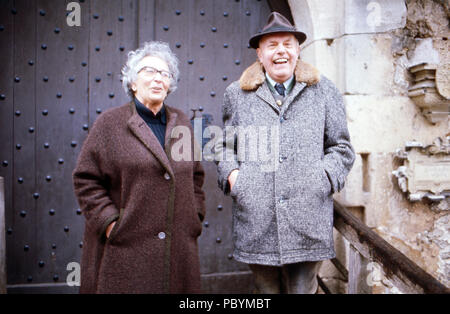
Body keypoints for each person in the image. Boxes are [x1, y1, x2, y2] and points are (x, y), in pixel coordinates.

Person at [215, 12, 355, 294]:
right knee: (265, 291)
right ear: (260, 53)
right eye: (272, 45)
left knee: (303, 290)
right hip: (257, 218)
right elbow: (224, 146)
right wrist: (233, 178)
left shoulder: (324, 91)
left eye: (287, 44)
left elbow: (342, 148)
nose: (281, 51)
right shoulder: (236, 94)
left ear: (298, 49)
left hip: (308, 216)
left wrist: (324, 177)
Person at [72, 41, 205, 293]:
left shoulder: (182, 122)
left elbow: (196, 176)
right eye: (149, 71)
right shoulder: (110, 123)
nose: (158, 79)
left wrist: (194, 217)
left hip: (177, 251)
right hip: (125, 249)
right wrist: (110, 222)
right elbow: (85, 179)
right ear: (132, 82)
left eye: (165, 74)